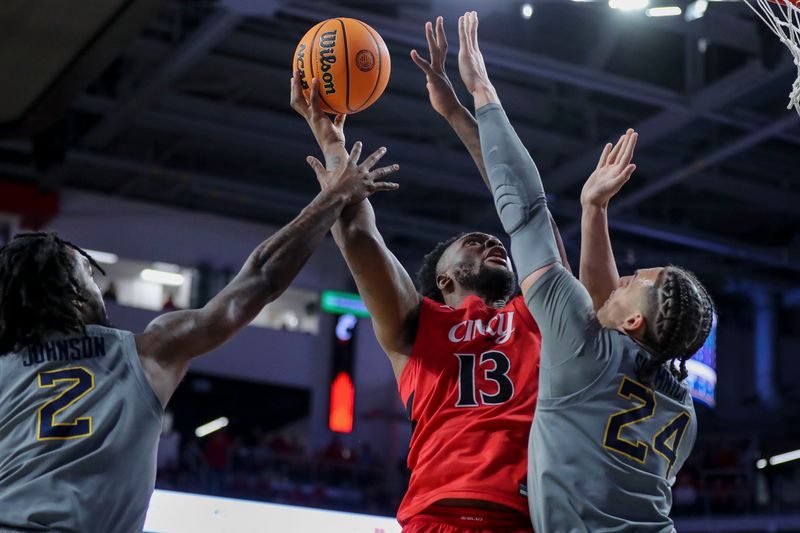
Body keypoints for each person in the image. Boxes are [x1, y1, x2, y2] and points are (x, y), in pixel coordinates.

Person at [0, 143, 399, 533]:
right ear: (71, 293)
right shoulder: (144, 352)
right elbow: (260, 278)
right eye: (89, 275)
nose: (98, 286)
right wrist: (334, 198)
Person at [291, 21, 570, 528]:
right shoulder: (418, 326)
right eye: (471, 241)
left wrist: (457, 112)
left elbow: (527, 213)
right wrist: (330, 136)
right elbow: (359, 239)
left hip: (523, 516)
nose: (490, 239)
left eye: (492, 239)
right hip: (433, 515)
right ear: (442, 279)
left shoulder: (538, 315)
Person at [458, 11, 715, 531]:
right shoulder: (680, 410)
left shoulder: (587, 350)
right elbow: (603, 316)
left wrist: (483, 91)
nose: (627, 273)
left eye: (635, 280)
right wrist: (593, 211)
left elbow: (527, 211)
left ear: (635, 323)